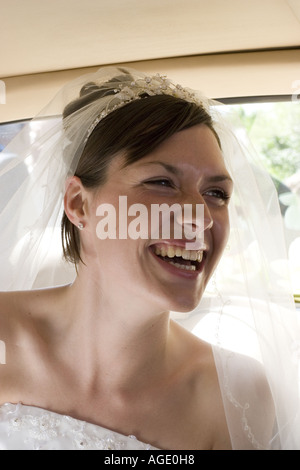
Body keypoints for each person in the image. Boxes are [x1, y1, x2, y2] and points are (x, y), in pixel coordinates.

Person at [0, 66, 299, 450]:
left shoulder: (237, 395)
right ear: (79, 204)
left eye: (217, 194)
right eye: (161, 183)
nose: (201, 218)